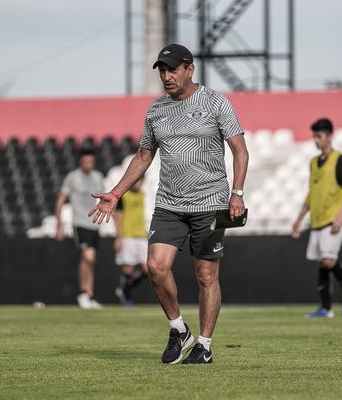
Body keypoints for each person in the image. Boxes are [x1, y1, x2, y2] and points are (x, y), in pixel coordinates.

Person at [88, 43, 248, 364]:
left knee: (206, 276)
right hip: (170, 203)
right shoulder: (155, 110)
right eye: (162, 70)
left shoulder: (216, 102)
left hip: (210, 203)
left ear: (190, 69)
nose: (167, 75)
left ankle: (203, 345)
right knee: (155, 267)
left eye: (173, 69)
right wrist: (116, 193)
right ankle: (179, 329)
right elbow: (144, 155)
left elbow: (240, 151)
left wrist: (238, 193)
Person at [291, 118, 342, 318]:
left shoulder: (340, 159)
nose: (316, 140)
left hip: (333, 218)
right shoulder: (313, 162)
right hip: (317, 219)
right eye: (314, 136)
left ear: (330, 136)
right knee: (322, 262)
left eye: (319, 136)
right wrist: (299, 219)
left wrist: (340, 216)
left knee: (328, 260)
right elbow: (311, 194)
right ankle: (326, 308)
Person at [55, 147, 105, 309]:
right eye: (85, 161)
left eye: (90, 161)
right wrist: (59, 224)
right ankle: (83, 293)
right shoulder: (73, 177)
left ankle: (89, 295)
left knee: (91, 259)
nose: (88, 164)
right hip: (80, 223)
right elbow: (61, 200)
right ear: (80, 162)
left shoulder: (98, 177)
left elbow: (104, 198)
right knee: (88, 257)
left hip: (94, 225)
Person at [113, 177, 148, 306]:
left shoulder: (143, 195)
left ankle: (123, 289)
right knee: (128, 270)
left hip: (141, 235)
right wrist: (118, 237)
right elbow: (117, 216)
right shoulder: (124, 196)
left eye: (140, 181)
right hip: (127, 236)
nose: (138, 183)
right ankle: (126, 298)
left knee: (148, 269)